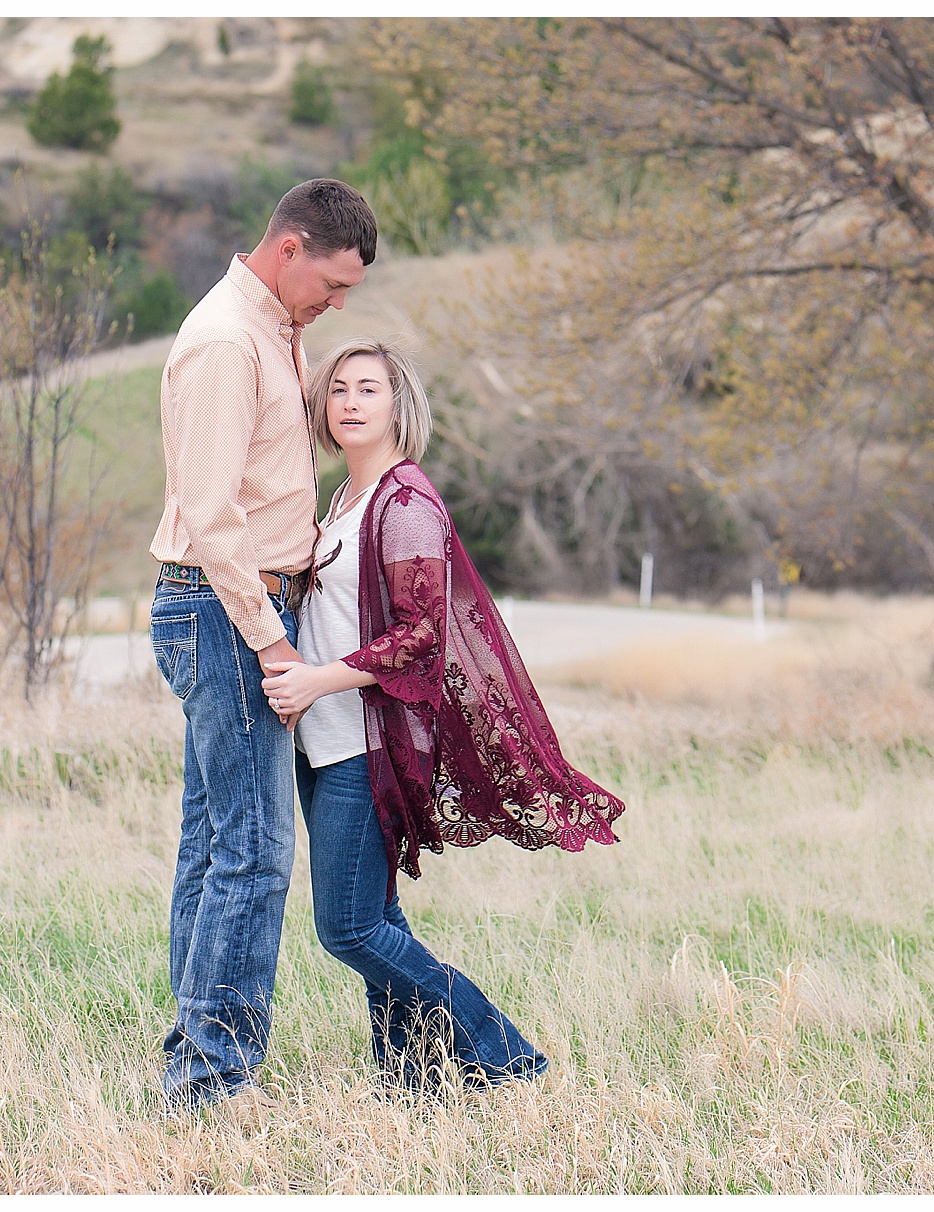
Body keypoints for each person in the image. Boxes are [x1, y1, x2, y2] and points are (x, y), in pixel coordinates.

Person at [261, 339, 625, 1094]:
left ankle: (502, 1050)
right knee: (379, 921)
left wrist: (315, 680)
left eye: (370, 389)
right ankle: (409, 1082)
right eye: (339, 390)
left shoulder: (406, 503)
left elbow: (421, 637)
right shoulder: (344, 501)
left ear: (400, 406)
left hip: (368, 745)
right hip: (323, 744)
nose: (351, 402)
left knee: (349, 929)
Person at [147, 180, 377, 1118]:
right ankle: (213, 1081)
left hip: (231, 606)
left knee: (214, 842)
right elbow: (210, 514)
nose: (336, 303)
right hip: (223, 609)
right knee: (253, 853)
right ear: (288, 250)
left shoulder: (278, 327)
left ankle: (194, 1050)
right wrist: (275, 642)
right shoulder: (224, 342)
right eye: (331, 284)